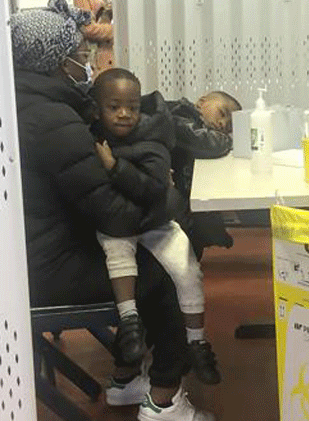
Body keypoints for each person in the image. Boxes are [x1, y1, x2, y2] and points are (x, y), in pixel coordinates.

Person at [13, 0, 214, 421]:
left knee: (147, 255)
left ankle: (125, 381)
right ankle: (164, 399)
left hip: (30, 255)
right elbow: (116, 215)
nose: (86, 61)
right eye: (79, 54)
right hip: (48, 269)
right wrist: (172, 200)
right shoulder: (51, 120)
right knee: (166, 269)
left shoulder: (23, 103)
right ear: (56, 61)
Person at [90, 69, 220, 385]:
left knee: (187, 268)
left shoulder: (154, 136)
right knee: (116, 246)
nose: (124, 114)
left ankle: (197, 342)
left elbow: (152, 188)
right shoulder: (88, 136)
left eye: (132, 107)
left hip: (156, 220)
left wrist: (113, 167)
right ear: (98, 108)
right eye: (114, 107)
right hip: (120, 223)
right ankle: (129, 326)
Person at [160, 90, 240, 257]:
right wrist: (229, 140)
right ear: (202, 102)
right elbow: (201, 141)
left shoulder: (196, 122)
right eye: (223, 113)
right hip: (164, 183)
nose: (223, 123)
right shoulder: (178, 112)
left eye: (230, 125)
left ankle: (208, 236)